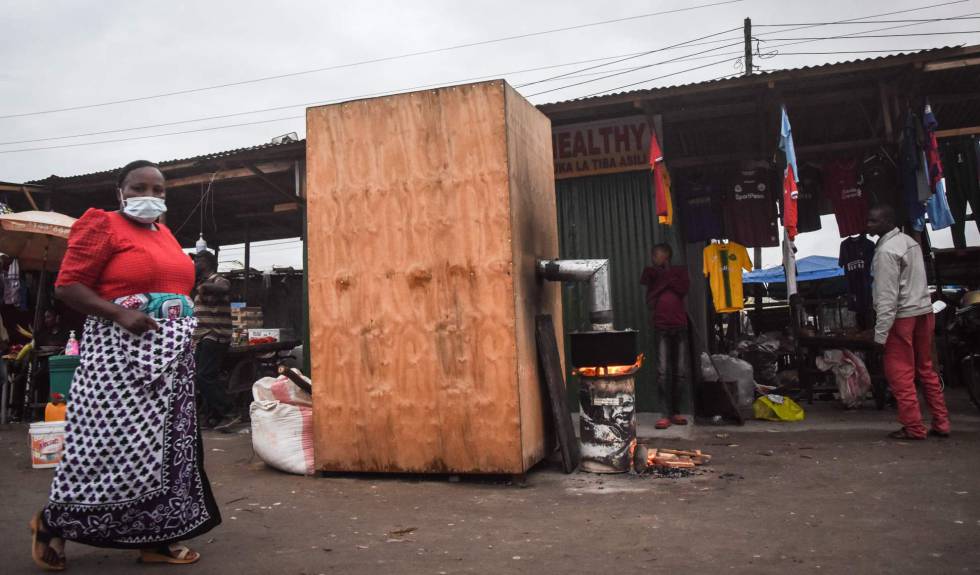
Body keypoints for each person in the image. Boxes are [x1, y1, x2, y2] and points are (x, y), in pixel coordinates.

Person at [30, 160, 220, 570]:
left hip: (170, 361)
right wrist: (119, 314)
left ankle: (157, 537)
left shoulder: (165, 233)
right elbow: (68, 286)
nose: (149, 196)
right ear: (121, 191)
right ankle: (53, 524)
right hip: (116, 359)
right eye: (139, 188)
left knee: (164, 453)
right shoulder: (101, 226)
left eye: (158, 189)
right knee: (104, 446)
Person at [866, 203, 950, 440]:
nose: (868, 225)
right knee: (927, 369)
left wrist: (880, 336)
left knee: (900, 373)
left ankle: (914, 427)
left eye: (873, 221)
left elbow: (887, 297)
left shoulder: (885, 252)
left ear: (887, 221)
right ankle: (941, 422)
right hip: (924, 312)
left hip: (902, 317)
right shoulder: (910, 243)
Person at [640, 243, 690, 430]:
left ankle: (675, 412)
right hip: (661, 326)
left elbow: (683, 288)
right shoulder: (652, 274)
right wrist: (664, 281)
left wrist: (667, 278)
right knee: (662, 372)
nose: (654, 258)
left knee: (680, 372)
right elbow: (649, 297)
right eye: (653, 255)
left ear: (666, 256)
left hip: (680, 326)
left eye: (657, 255)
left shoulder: (679, 271)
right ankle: (663, 414)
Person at [192, 250, 237, 430]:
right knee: (200, 376)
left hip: (215, 335)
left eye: (197, 261)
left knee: (205, 376)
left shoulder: (218, 280)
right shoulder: (201, 283)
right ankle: (213, 417)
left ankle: (229, 411)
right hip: (203, 335)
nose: (194, 264)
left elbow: (225, 288)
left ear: (207, 263)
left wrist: (204, 288)